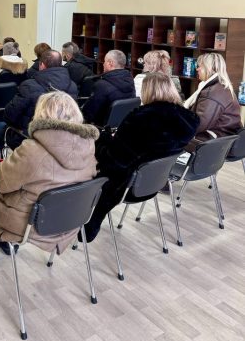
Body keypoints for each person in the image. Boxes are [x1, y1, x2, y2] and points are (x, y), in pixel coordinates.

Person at [0, 91, 99, 266]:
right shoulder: (89, 149)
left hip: (29, 225)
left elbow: (1, 182)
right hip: (68, 222)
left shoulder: (32, 149)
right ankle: (7, 245)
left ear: (42, 114)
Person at [82, 72, 199, 242]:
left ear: (147, 91)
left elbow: (115, 159)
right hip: (153, 183)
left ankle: (81, 219)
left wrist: (102, 140)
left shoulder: (139, 118)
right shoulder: (188, 121)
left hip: (125, 186)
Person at [0, 49, 78, 149]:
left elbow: (10, 116)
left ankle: (1, 156)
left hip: (29, 138)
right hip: (61, 140)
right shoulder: (73, 86)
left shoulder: (29, 85)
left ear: (42, 65)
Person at [184, 52, 242, 149]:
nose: (197, 69)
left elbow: (198, 124)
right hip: (226, 140)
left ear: (210, 68)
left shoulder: (212, 93)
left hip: (215, 143)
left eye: (200, 66)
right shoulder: (221, 86)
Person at [82, 50, 135, 126]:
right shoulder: (130, 80)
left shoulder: (102, 85)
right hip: (122, 126)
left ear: (110, 63)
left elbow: (88, 113)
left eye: (104, 61)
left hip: (100, 128)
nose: (103, 64)